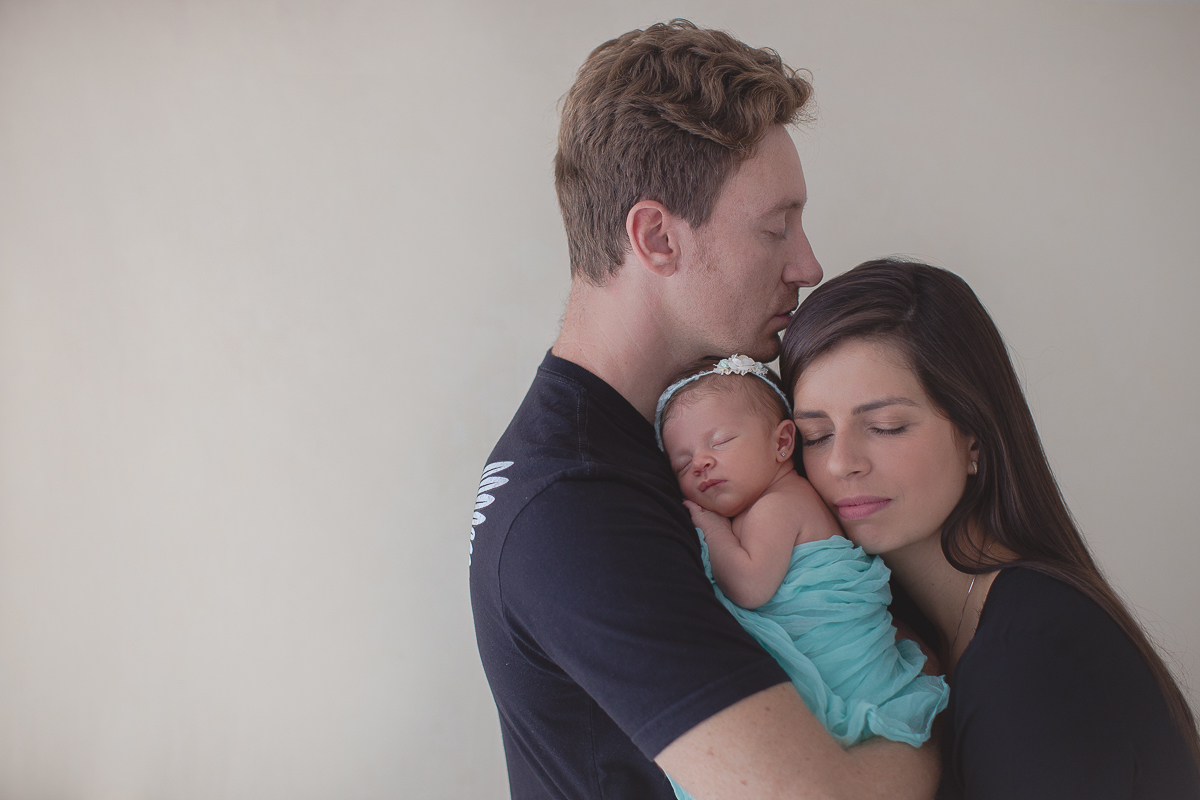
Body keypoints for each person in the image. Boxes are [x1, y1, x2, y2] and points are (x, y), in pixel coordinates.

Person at [469, 20, 938, 800]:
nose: (809, 264)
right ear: (656, 237)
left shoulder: (644, 443)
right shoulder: (576, 510)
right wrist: (926, 719)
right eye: (774, 226)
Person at [780, 258, 1200, 799]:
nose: (842, 462)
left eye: (886, 426)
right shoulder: (906, 642)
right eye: (815, 435)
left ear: (974, 438)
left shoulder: (1031, 653)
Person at [654, 355, 949, 800]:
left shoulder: (779, 505)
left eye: (720, 441)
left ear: (782, 442)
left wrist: (709, 528)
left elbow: (749, 587)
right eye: (682, 463)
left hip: (844, 677)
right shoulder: (767, 505)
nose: (701, 464)